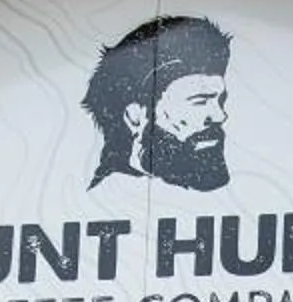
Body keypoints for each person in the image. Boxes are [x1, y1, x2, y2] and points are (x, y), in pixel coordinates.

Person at [82, 15, 233, 192]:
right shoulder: (110, 196)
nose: (220, 116)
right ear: (135, 116)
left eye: (220, 100)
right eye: (200, 101)